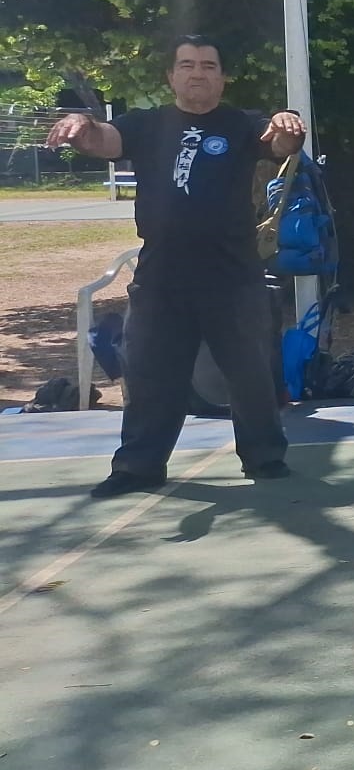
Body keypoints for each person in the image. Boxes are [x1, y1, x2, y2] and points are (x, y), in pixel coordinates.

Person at [45, 37, 304, 498]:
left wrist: (290, 127)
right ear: (171, 77)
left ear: (222, 77)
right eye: (187, 65)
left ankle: (264, 457)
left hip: (233, 272)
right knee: (148, 373)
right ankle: (138, 467)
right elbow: (105, 140)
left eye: (208, 65)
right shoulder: (146, 124)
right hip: (162, 273)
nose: (197, 73)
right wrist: (83, 124)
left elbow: (280, 143)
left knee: (249, 372)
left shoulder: (244, 124)